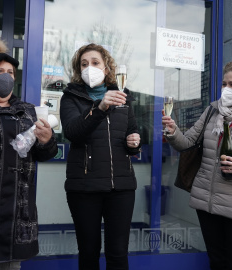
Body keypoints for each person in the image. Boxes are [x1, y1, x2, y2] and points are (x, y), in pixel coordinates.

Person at [162, 60, 232, 270]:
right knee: (217, 262)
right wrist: (174, 132)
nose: (226, 89)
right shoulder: (212, 111)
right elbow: (188, 143)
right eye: (223, 84)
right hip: (207, 203)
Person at [60, 43, 141, 270]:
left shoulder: (123, 96)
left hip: (121, 187)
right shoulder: (70, 98)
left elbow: (132, 134)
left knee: (118, 254)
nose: (89, 68)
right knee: (89, 253)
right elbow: (73, 132)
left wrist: (134, 142)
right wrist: (100, 107)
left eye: (95, 63)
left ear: (107, 68)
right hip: (84, 188)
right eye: (84, 64)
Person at [0, 37, 58, 270]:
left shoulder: (27, 111)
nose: (7, 76)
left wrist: (46, 141)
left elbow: (44, 154)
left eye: (11, 72)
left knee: (11, 266)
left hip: (17, 205)